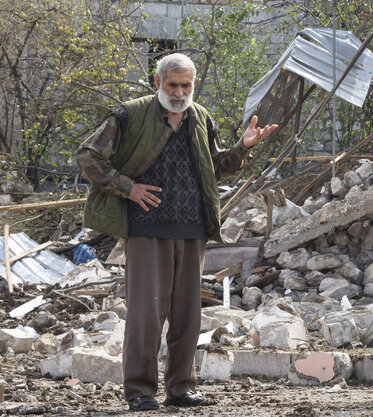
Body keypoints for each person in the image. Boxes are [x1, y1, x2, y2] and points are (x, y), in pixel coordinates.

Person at [76, 53, 277, 411]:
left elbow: (215, 167)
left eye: (186, 85)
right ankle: (139, 391)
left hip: (192, 229)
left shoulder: (201, 119)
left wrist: (243, 148)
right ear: (158, 83)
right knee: (146, 314)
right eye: (173, 85)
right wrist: (127, 187)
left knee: (187, 315)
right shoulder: (129, 115)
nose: (180, 92)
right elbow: (88, 156)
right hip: (147, 229)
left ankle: (181, 388)